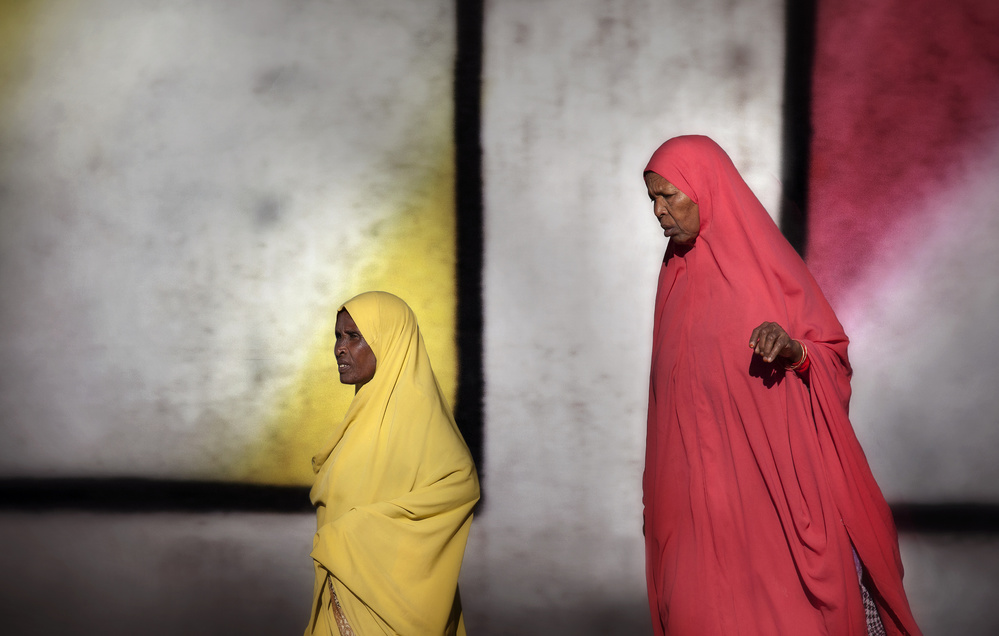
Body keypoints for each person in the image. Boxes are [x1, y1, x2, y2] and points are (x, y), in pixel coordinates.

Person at [641, 135, 922, 635]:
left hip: (774, 505)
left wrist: (795, 352)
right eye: (653, 199)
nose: (660, 211)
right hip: (697, 515)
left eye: (670, 195)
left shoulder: (769, 268)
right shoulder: (674, 279)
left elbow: (832, 357)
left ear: (706, 190)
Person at [305, 291, 480, 636]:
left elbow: (460, 488)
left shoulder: (423, 423)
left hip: (393, 611)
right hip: (339, 598)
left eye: (354, 336)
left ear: (391, 341)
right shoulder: (358, 423)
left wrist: (352, 532)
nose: (340, 348)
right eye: (338, 336)